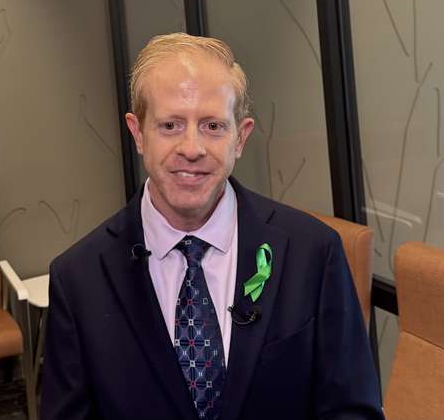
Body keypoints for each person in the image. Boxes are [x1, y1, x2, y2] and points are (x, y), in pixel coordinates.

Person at [40, 33, 383, 420]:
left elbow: (352, 411)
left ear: (241, 137)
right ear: (138, 133)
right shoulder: (78, 279)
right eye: (170, 125)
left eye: (213, 126)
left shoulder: (314, 253)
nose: (192, 148)